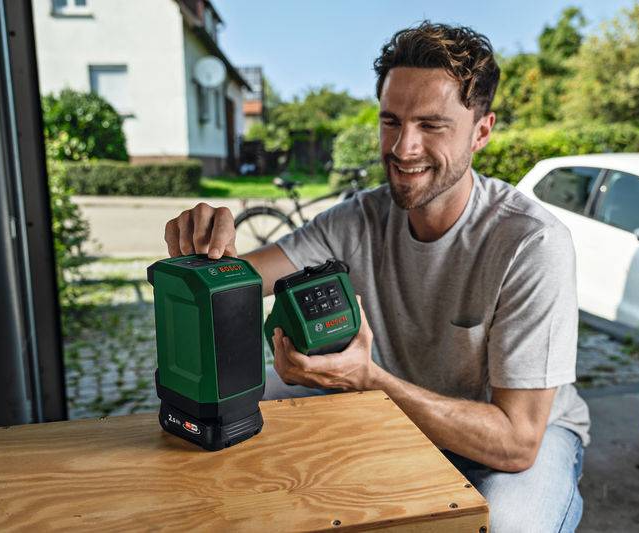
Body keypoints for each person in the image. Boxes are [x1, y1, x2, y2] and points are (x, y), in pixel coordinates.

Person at [164, 22, 590, 532]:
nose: (403, 148)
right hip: (397, 406)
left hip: (523, 438)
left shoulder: (531, 242)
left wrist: (369, 380)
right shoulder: (359, 217)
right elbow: (246, 277)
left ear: (482, 131)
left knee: (507, 527)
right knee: (241, 420)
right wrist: (215, 247)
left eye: (432, 125)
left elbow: (516, 441)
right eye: (392, 121)